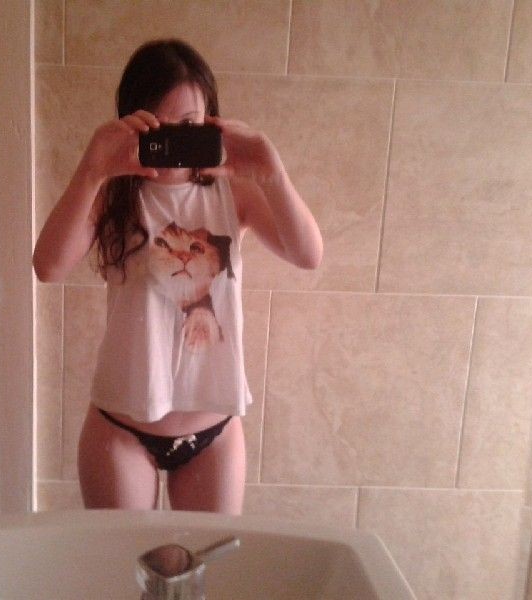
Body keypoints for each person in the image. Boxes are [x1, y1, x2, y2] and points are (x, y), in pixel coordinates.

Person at [33, 39, 323, 515]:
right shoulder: (110, 197)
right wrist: (91, 169)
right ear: (132, 121)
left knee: (204, 564)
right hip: (120, 430)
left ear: (211, 122)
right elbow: (47, 266)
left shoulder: (234, 194)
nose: (172, 142)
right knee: (126, 563)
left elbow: (308, 254)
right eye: (158, 126)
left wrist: (271, 171)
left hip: (213, 433)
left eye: (188, 126)